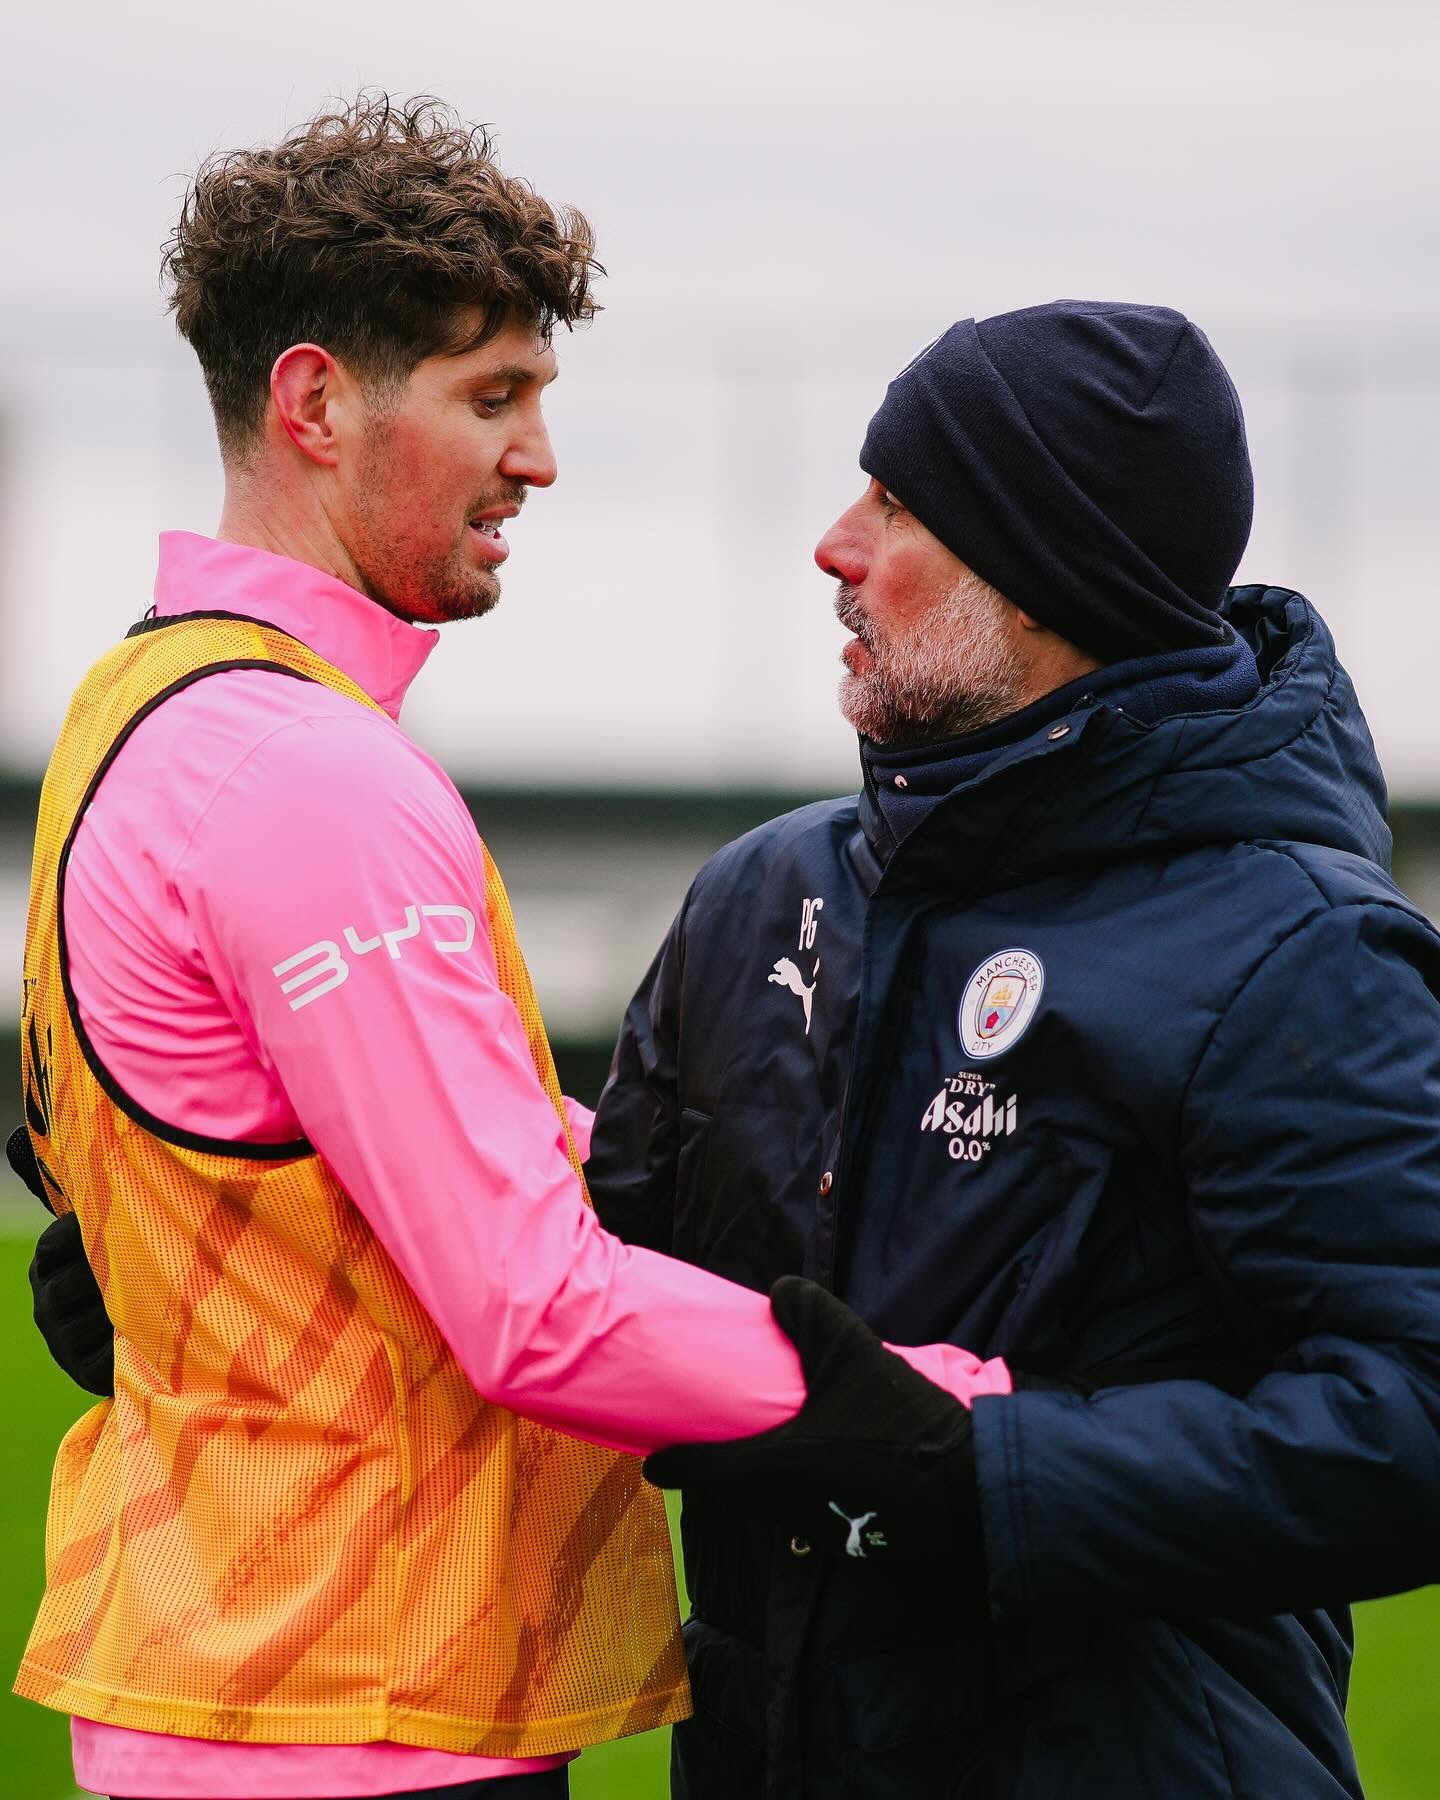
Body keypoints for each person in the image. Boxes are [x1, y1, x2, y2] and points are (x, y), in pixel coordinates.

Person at [10, 98, 1007, 1800]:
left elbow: (427, 1159)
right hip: (357, 1706)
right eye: (493, 398)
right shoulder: (306, 776)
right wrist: (947, 1404)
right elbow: (534, 1306)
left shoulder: (137, 703)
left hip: (238, 1680)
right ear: (314, 402)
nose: (538, 457)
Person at [583, 302, 1440, 1797]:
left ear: (1046, 579)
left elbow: (1413, 1417)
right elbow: (589, 1277)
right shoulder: (762, 896)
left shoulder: (1298, 950)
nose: (834, 545)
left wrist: (984, 1478)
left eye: (899, 505)